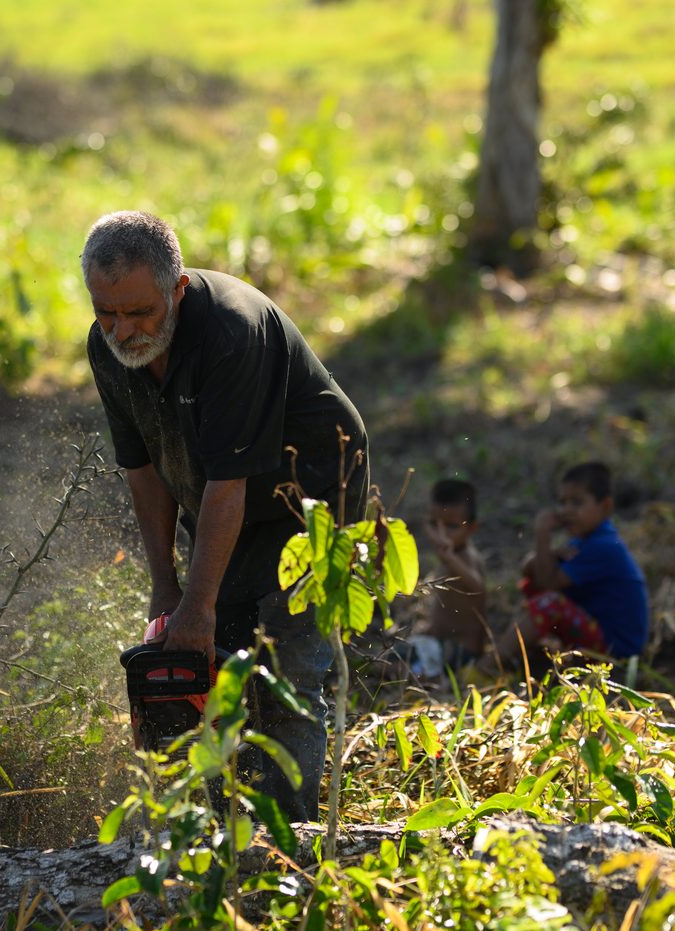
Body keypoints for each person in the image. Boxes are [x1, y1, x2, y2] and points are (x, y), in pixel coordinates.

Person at [81, 210, 368, 823]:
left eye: (140, 314)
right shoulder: (107, 350)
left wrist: (200, 604)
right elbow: (144, 469)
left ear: (177, 289)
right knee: (218, 670)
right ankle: (222, 830)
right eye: (107, 313)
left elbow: (229, 481)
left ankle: (287, 839)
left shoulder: (231, 332)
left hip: (308, 498)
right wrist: (168, 586)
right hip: (221, 502)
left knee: (285, 670)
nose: (122, 330)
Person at [477, 461, 648, 675]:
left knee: (550, 603)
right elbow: (531, 574)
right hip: (600, 636)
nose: (566, 510)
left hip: (616, 650)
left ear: (605, 507)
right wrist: (550, 553)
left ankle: (487, 667)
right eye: (562, 502)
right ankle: (517, 654)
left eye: (576, 503)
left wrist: (543, 536)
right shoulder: (582, 541)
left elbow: (547, 582)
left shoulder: (603, 546)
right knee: (534, 588)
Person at [407, 478, 488, 678]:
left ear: (471, 529)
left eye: (451, 526)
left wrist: (450, 558)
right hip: (440, 640)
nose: (440, 534)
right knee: (395, 655)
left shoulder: (464, 556)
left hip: (462, 650)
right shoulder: (450, 554)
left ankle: (430, 679)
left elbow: (477, 586)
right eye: (434, 524)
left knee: (397, 668)